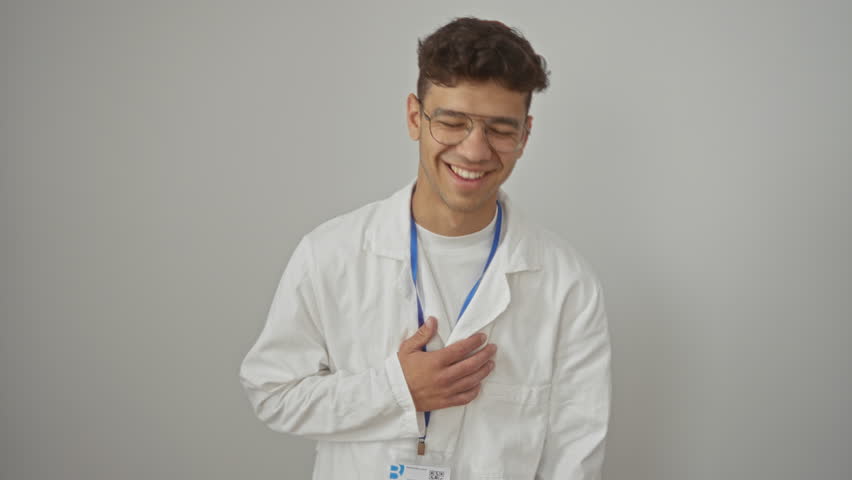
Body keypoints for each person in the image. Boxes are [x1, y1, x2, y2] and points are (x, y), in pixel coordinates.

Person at [239, 17, 612, 479]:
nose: (475, 151)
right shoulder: (331, 255)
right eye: (453, 122)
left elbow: (575, 457)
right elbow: (272, 394)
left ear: (525, 135)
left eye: (499, 129)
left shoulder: (567, 284)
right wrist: (396, 390)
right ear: (416, 117)